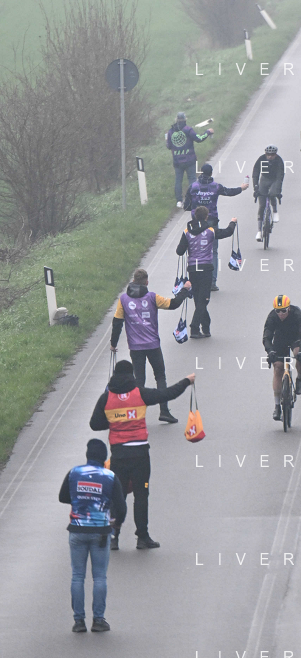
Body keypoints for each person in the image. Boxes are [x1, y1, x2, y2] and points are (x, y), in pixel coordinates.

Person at [89, 359, 195, 550]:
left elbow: (95, 424)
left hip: (118, 456)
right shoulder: (140, 393)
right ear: (131, 375)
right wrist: (187, 381)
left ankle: (113, 537)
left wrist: (114, 421)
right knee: (141, 495)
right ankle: (142, 537)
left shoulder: (106, 398)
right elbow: (167, 393)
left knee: (118, 497)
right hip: (140, 455)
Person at [58, 438, 126, 633]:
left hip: (77, 530)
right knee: (100, 577)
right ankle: (98, 620)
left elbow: (62, 497)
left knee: (77, 576)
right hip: (101, 533)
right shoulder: (110, 476)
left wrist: (80, 500)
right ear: (104, 457)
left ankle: (79, 622)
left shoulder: (74, 473)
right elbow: (121, 507)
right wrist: (116, 523)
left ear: (87, 455)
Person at [109, 267, 189, 422]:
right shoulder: (152, 297)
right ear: (146, 282)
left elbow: (117, 322)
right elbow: (173, 304)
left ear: (133, 281)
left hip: (135, 347)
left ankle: (137, 414)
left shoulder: (123, 300)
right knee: (160, 376)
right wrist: (185, 289)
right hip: (153, 345)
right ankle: (164, 411)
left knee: (139, 380)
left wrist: (113, 344)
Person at [184, 162, 249, 289]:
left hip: (195, 224)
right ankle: (212, 282)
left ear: (201, 172)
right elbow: (229, 192)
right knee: (213, 252)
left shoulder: (193, 187)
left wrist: (195, 206)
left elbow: (186, 206)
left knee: (194, 251)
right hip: (212, 222)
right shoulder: (216, 186)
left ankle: (194, 282)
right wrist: (241, 188)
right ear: (211, 173)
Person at [175, 206, 237, 338]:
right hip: (205, 269)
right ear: (206, 217)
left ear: (195, 216)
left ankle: (206, 327)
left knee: (199, 299)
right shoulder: (210, 231)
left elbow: (179, 251)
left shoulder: (187, 231)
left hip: (193, 269)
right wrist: (233, 222)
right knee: (203, 300)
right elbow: (227, 232)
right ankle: (194, 327)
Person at [262, 295, 301, 418]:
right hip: (280, 340)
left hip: (295, 338)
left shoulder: (297, 313)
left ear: (289, 308)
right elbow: (267, 337)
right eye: (278, 311)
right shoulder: (272, 317)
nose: (281, 314)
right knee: (278, 368)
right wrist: (270, 352)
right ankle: (277, 406)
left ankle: (299, 379)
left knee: (298, 354)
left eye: (283, 310)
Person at [165, 111, 213, 206]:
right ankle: (193, 199)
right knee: (192, 179)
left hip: (177, 161)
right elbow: (199, 138)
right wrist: (207, 132)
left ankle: (179, 201)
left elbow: (168, 146)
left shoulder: (170, 132)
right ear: (185, 119)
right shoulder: (188, 129)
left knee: (178, 181)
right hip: (190, 160)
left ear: (176, 120)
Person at [252, 143, 285, 238]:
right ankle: (259, 231)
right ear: (265, 154)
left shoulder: (279, 160)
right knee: (262, 205)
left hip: (274, 179)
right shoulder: (261, 159)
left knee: (272, 193)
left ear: (275, 154)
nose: (270, 156)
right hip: (264, 179)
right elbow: (255, 173)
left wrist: (278, 190)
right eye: (268, 154)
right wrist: (256, 187)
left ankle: (275, 211)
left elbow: (280, 177)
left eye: (272, 154)